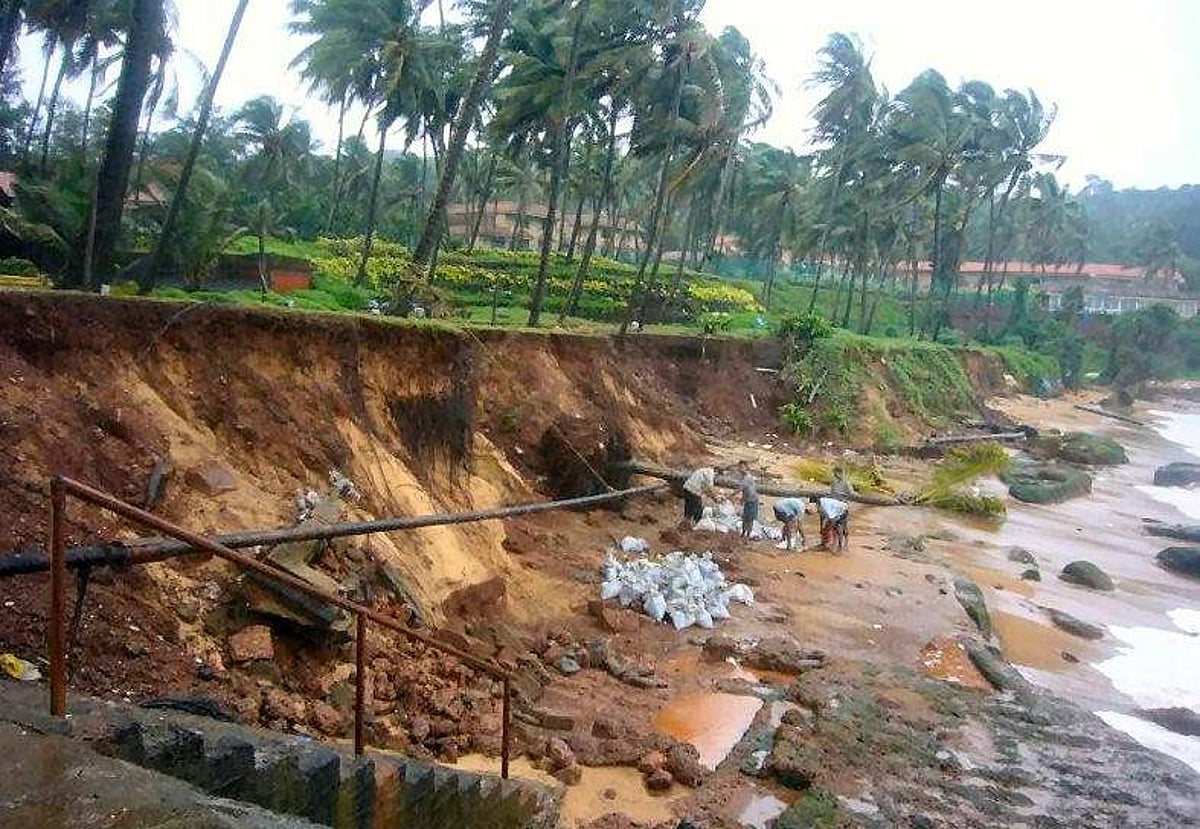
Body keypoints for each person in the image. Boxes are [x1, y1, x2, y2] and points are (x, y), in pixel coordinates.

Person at [735, 460, 759, 539]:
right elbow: (746, 490)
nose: (740, 469)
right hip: (748, 500)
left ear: (746, 468)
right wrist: (742, 499)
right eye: (739, 467)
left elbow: (740, 489)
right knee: (745, 517)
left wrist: (729, 495)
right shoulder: (744, 477)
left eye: (742, 467)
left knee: (749, 519)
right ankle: (743, 533)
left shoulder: (747, 478)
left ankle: (747, 535)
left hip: (752, 501)